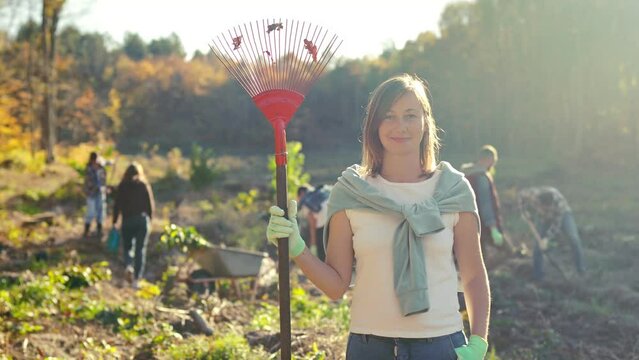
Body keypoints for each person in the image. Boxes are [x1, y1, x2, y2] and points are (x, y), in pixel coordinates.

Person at [267, 74, 491, 359]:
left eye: (410, 115)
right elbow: (336, 285)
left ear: (425, 122)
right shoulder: (351, 191)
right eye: (389, 116)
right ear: (374, 125)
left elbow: (473, 276)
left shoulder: (453, 190)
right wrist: (297, 247)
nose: (400, 126)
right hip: (369, 346)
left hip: (440, 345)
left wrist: (478, 343)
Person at [517, 186, 586, 280]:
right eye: (543, 208)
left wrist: (547, 239)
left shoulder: (559, 205)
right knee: (538, 246)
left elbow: (556, 225)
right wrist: (524, 213)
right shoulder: (533, 196)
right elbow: (521, 195)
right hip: (544, 218)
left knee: (573, 238)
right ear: (539, 203)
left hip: (563, 215)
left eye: (548, 208)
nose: (545, 210)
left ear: (552, 205)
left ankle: (581, 270)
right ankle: (538, 276)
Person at [112, 162, 155, 289]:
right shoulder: (143, 185)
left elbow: (117, 205)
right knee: (140, 250)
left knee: (127, 247)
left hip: (127, 220)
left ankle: (128, 266)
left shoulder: (123, 186)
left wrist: (114, 221)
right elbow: (149, 205)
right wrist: (150, 220)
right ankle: (136, 280)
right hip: (142, 220)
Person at [461, 145, 505, 255]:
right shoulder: (481, 177)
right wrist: (493, 228)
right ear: (489, 160)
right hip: (480, 226)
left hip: (464, 224)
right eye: (493, 162)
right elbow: (486, 204)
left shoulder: (464, 175)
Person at [297, 184, 331, 262]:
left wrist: (313, 244)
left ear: (300, 195)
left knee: (323, 258)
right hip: (333, 222)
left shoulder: (306, 203)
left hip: (322, 228)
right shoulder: (321, 194)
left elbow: (313, 223)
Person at [83, 152, 107, 238]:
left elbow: (103, 179)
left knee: (101, 211)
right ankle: (86, 230)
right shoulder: (88, 169)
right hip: (91, 193)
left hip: (100, 193)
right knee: (91, 212)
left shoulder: (101, 168)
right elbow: (89, 182)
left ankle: (99, 229)